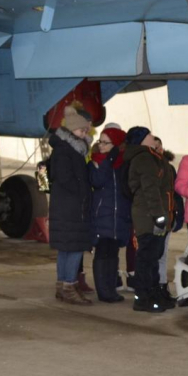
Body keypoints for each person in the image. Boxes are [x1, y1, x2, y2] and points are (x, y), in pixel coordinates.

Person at [124, 126, 175, 314]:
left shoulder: (151, 156)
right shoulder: (144, 158)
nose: (153, 137)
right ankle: (143, 298)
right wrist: (159, 216)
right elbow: (150, 189)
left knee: (153, 257)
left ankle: (154, 295)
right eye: (149, 135)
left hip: (153, 214)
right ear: (142, 140)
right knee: (147, 258)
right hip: (148, 215)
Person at [48, 106, 94, 306]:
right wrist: (83, 191)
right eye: (82, 131)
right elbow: (65, 178)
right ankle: (69, 285)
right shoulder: (67, 151)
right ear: (72, 130)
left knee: (66, 248)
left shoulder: (67, 149)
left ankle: (62, 285)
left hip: (66, 206)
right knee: (74, 247)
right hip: (71, 206)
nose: (85, 134)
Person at [89, 126, 130, 303]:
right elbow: (97, 181)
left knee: (113, 254)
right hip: (102, 215)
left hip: (118, 216)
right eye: (100, 142)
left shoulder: (122, 165)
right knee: (102, 252)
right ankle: (103, 291)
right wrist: (108, 160)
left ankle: (111, 288)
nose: (101, 146)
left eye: (106, 143)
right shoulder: (96, 162)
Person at [154, 136, 184, 308]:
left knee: (163, 253)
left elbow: (175, 195)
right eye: (154, 146)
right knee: (153, 254)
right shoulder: (149, 168)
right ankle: (153, 287)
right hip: (153, 217)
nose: (158, 150)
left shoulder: (169, 168)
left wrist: (178, 215)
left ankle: (162, 285)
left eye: (160, 147)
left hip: (167, 217)